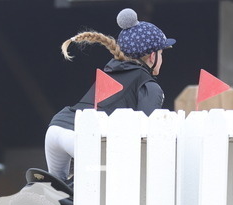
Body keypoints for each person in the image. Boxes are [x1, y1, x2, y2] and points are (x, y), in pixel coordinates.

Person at [44, 8, 176, 180]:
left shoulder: (112, 69)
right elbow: (145, 136)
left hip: (56, 127)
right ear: (152, 56)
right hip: (82, 136)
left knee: (57, 188)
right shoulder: (149, 85)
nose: (162, 59)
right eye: (161, 53)